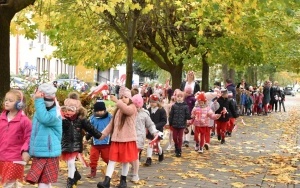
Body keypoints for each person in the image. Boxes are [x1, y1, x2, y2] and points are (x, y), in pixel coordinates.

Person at [97, 86, 138, 188]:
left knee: (125, 161)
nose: (123, 98)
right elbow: (112, 124)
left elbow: (127, 111)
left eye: (125, 97)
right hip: (116, 139)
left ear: (129, 98)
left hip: (127, 139)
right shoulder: (118, 110)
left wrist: (117, 102)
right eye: (121, 97)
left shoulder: (132, 107)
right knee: (112, 160)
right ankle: (107, 181)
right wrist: (103, 134)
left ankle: (123, 181)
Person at [60, 92, 102, 187]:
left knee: (70, 163)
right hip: (65, 144)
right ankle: (76, 175)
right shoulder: (62, 118)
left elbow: (90, 128)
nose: (70, 110)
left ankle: (70, 182)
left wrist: (100, 135)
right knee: (69, 162)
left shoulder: (81, 119)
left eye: (73, 107)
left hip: (75, 144)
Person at [26, 83, 62, 188]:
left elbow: (44, 119)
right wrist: (30, 149)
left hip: (49, 152)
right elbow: (35, 131)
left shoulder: (55, 113)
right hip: (41, 151)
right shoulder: (41, 111)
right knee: (44, 182)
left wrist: (39, 100)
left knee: (43, 182)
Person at [0, 90, 32, 187]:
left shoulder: (24, 121)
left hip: (15, 157)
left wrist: (26, 151)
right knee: (9, 182)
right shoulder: (1, 118)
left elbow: (29, 137)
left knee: (8, 183)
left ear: (20, 104)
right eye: (6, 100)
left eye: (10, 100)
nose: (6, 102)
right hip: (2, 156)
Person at [130, 94, 159, 182]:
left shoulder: (144, 114)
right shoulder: (129, 112)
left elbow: (150, 124)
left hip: (139, 138)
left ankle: (135, 174)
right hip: (129, 137)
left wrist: (154, 132)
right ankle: (133, 167)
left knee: (135, 156)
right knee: (130, 157)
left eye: (138, 106)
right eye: (134, 106)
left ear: (141, 105)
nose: (136, 109)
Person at [85, 98, 112, 179]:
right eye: (98, 111)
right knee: (93, 158)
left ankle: (110, 169)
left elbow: (113, 127)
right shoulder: (92, 118)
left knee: (107, 157)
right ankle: (93, 171)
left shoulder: (110, 117)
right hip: (95, 142)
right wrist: (87, 137)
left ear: (104, 110)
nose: (100, 112)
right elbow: (90, 129)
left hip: (106, 142)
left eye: (101, 111)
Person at [145, 94, 167, 166]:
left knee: (157, 145)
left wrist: (156, 126)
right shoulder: (148, 110)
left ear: (157, 102)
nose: (152, 103)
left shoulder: (161, 110)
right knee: (150, 144)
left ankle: (160, 153)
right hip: (150, 131)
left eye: (154, 102)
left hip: (158, 131)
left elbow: (164, 121)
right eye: (151, 102)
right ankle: (149, 159)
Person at [169, 91, 191, 157]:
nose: (179, 98)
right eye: (178, 97)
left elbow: (187, 115)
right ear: (176, 97)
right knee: (175, 137)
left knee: (180, 138)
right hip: (175, 124)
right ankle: (176, 145)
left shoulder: (186, 106)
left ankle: (179, 149)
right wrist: (170, 123)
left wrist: (190, 117)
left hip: (182, 125)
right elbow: (171, 115)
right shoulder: (174, 106)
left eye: (181, 97)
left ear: (183, 98)